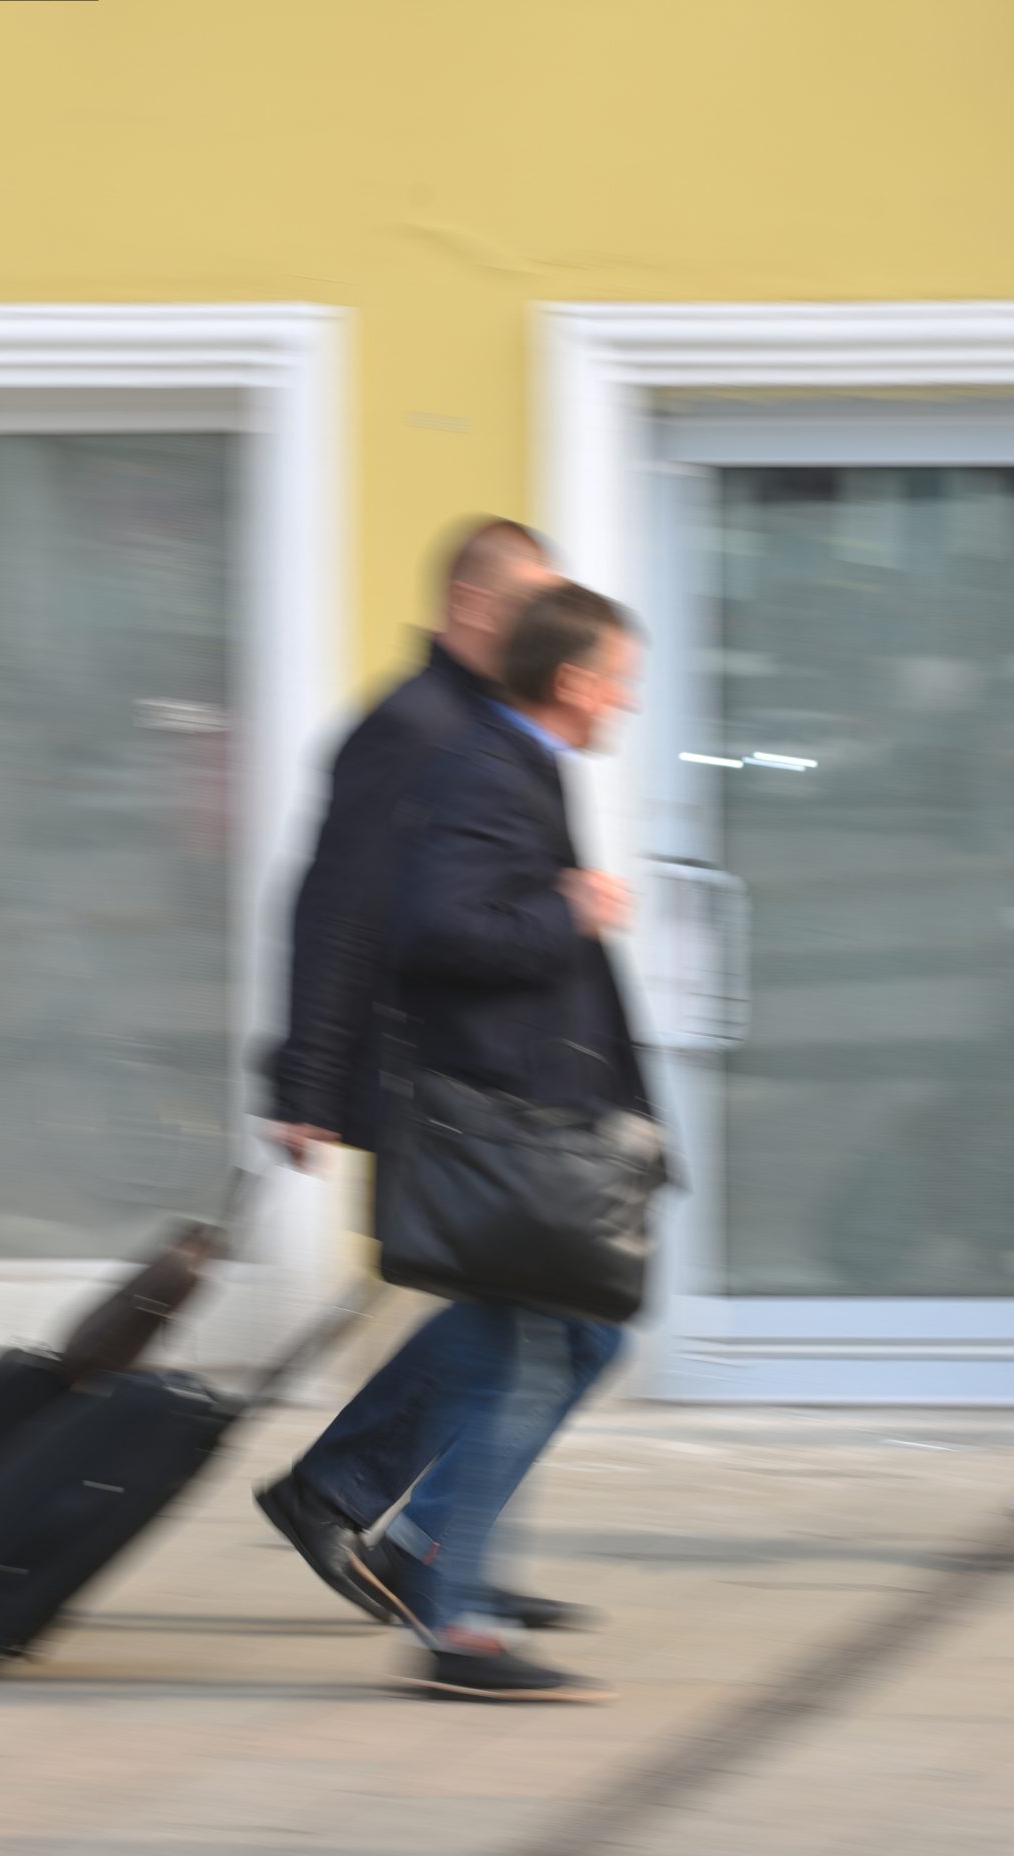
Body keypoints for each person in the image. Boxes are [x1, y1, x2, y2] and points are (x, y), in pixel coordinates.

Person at [253, 519, 616, 1642]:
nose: (551, 636)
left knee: (533, 1315)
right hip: (434, 1080)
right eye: (530, 608)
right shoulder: (411, 730)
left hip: (492, 1081)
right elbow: (332, 905)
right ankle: (406, 1537)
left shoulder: (488, 728)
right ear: (474, 608)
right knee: (541, 1320)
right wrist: (306, 1074)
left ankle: (401, 1525)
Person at [377, 581, 650, 1702]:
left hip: (524, 1121)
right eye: (619, 676)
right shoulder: (491, 766)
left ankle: (427, 1552)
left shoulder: (515, 761)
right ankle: (459, 1627)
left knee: (577, 1346)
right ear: (575, 682)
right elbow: (438, 928)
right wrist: (568, 909)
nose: (627, 696)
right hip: (499, 1127)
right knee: (524, 1360)